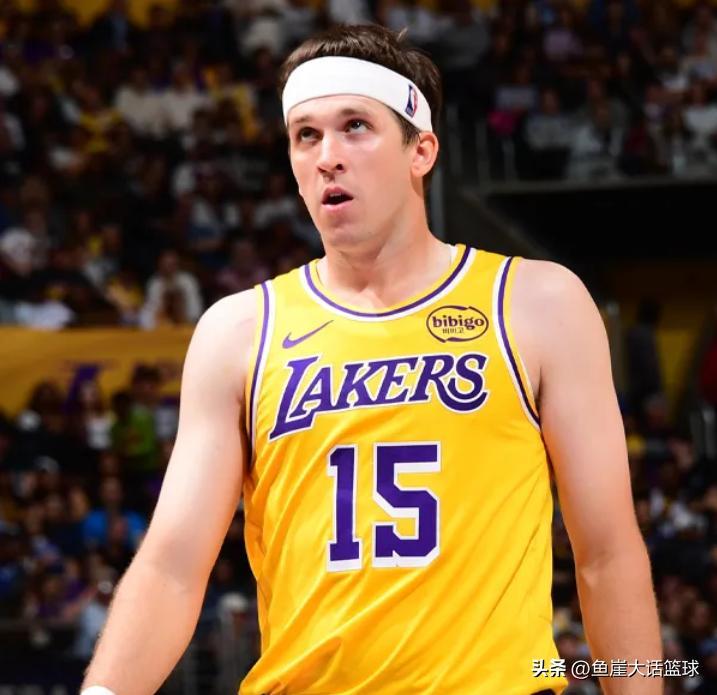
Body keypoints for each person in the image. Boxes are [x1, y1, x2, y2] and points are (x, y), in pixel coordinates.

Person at [81, 24, 662, 694]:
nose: (327, 156)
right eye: (306, 135)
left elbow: (607, 553)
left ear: (422, 150)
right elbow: (173, 565)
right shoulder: (238, 331)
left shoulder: (537, 303)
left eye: (355, 126)